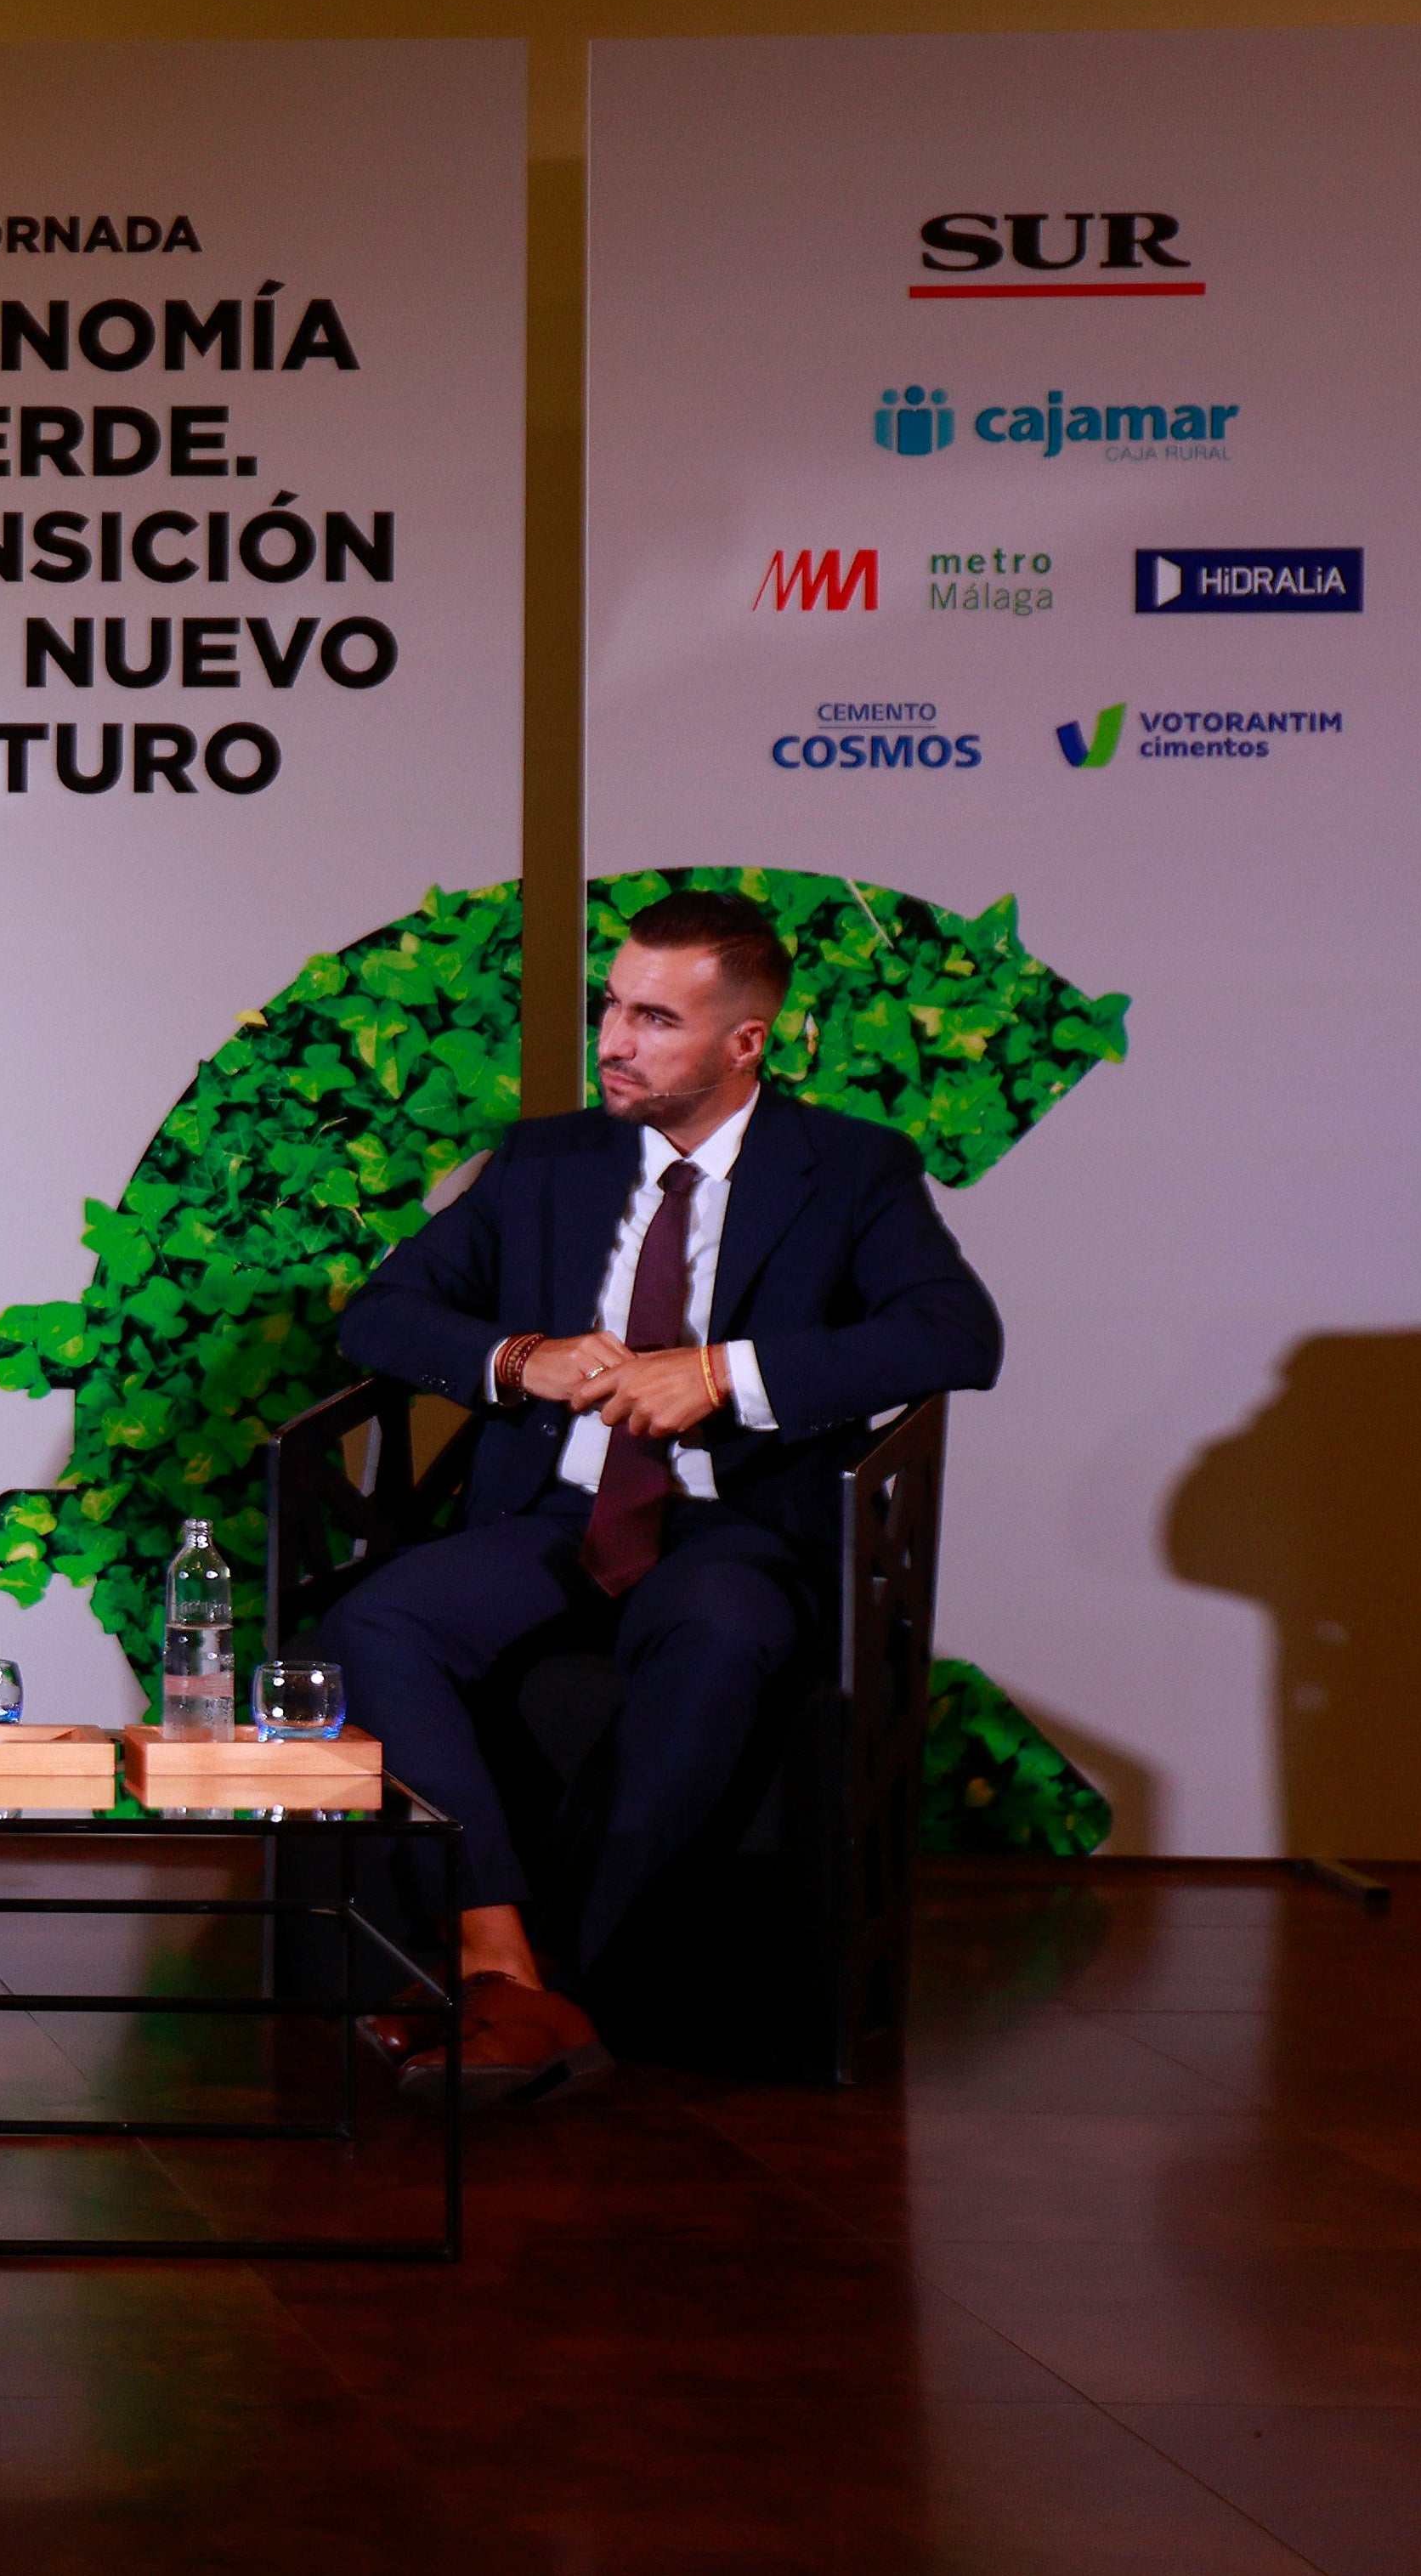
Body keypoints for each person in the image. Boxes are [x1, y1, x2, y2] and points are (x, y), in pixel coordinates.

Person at [321, 886, 1002, 2109]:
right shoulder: (545, 1160)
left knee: (723, 1633)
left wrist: (723, 1376)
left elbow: (956, 1333)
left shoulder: (849, 1169)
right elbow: (379, 1314)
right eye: (610, 1009)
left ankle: (551, 1982)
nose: (614, 1043)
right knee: (378, 1616)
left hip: (729, 1527)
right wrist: (519, 1357)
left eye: (653, 1019)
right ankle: (501, 1960)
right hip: (550, 1514)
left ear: (745, 1041)